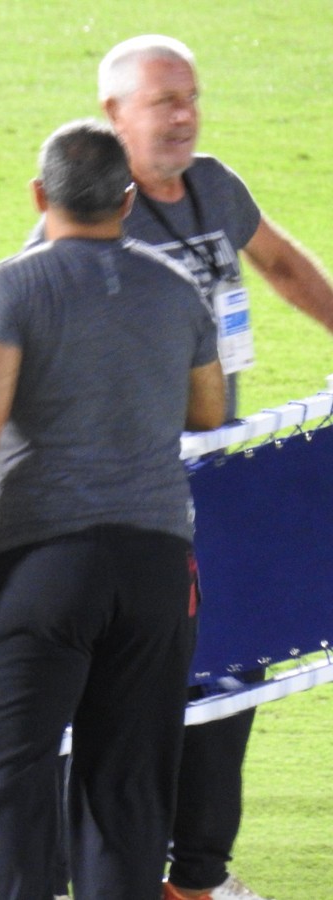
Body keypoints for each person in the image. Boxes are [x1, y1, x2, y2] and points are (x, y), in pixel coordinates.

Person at [0, 119, 225, 900]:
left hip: (44, 565)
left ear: (40, 196)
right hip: (156, 570)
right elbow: (209, 409)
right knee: (127, 790)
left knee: (6, 776)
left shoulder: (11, 285)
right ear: (126, 198)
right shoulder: (177, 288)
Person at [98, 35, 333, 900]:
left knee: (236, 671)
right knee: (153, 687)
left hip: (219, 480)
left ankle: (195, 875)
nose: (183, 114)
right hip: (135, 493)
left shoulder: (214, 186)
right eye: (162, 101)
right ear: (113, 117)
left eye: (189, 96)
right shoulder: (95, 209)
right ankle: (143, 871)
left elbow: (276, 261)